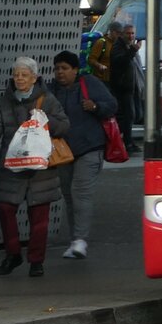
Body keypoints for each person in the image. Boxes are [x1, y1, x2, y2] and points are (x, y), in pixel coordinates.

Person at [0, 56, 70, 277]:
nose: (19, 78)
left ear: (34, 78)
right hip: (11, 167)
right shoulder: (3, 103)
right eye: (16, 74)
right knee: (5, 209)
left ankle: (36, 261)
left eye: (24, 75)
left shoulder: (47, 100)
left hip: (41, 169)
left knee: (39, 217)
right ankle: (13, 254)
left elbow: (65, 126)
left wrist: (46, 120)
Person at [48, 51, 117, 260]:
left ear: (75, 70)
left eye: (65, 68)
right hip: (63, 151)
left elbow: (112, 105)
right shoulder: (51, 90)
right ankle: (75, 240)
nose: (60, 72)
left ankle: (80, 240)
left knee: (81, 193)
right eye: (57, 68)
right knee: (68, 194)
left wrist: (95, 106)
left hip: (90, 147)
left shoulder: (89, 83)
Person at [109, 24, 141, 153]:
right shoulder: (119, 46)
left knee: (132, 115)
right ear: (122, 34)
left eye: (132, 33)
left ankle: (126, 140)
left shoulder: (126, 46)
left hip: (129, 87)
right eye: (128, 33)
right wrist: (133, 50)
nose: (131, 36)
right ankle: (122, 141)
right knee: (128, 116)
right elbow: (119, 61)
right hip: (122, 87)